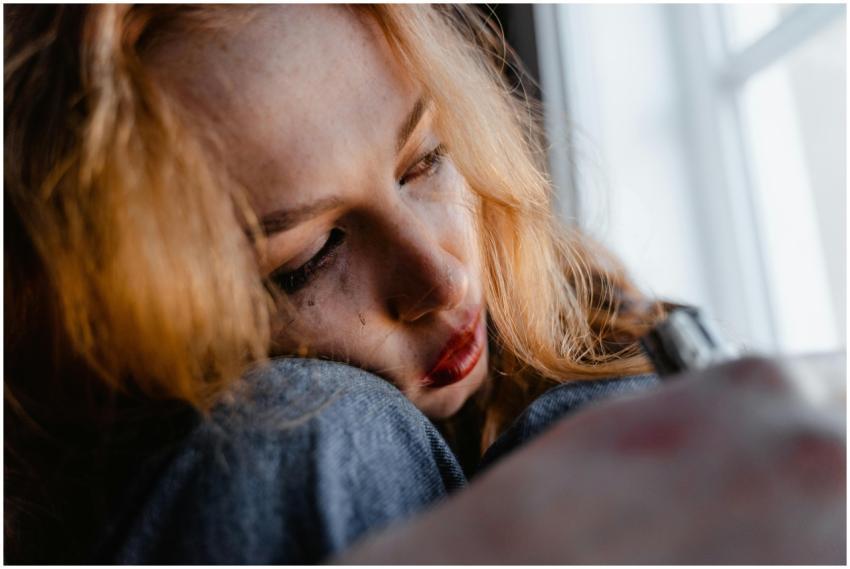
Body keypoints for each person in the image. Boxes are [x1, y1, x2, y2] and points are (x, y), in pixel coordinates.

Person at [5, 4, 844, 564]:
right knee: (309, 425)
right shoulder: (302, 446)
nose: (441, 277)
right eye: (308, 258)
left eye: (426, 159)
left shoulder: (608, 331)